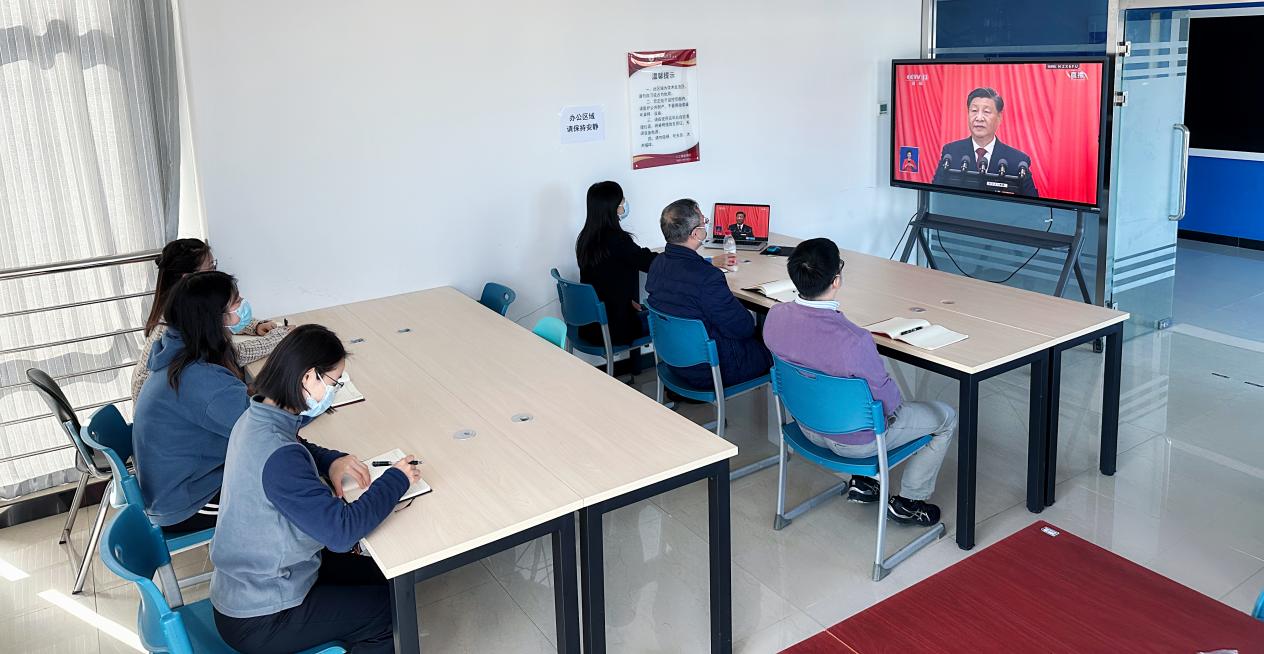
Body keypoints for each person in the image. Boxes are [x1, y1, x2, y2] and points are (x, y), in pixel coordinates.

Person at [210, 324, 421, 654]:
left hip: (251, 581)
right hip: (262, 614)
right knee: (388, 612)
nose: (334, 391)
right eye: (334, 383)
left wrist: (330, 461)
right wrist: (397, 479)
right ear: (309, 377)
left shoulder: (256, 416)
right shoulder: (280, 457)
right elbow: (341, 532)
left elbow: (295, 444)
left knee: (383, 576)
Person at [762, 238, 956, 527]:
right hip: (855, 443)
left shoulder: (775, 316)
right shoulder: (854, 340)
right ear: (836, 280)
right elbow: (890, 403)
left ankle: (865, 483)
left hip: (806, 425)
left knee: (850, 399)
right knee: (946, 418)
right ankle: (909, 501)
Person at [132, 271, 251, 534]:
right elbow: (261, 427)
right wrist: (306, 402)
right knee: (282, 490)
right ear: (215, 318)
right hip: (186, 503)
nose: (243, 306)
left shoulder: (177, 353)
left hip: (169, 487)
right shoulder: (201, 378)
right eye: (236, 303)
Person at [132, 238, 289, 400]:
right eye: (210, 268)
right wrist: (278, 338)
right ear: (189, 278)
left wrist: (254, 326)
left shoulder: (182, 309)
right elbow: (230, 354)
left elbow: (214, 319)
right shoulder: (172, 323)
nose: (215, 272)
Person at [645, 199, 770, 390]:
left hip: (673, 361)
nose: (706, 225)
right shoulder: (707, 278)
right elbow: (743, 328)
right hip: (713, 370)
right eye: (704, 221)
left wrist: (709, 262)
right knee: (775, 346)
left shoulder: (657, 264)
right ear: (696, 234)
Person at [931, 87, 1038, 197]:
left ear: (999, 117)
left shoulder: (1018, 161)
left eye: (986, 112)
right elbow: (934, 195)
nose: (979, 118)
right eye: (974, 111)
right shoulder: (951, 153)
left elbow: (1032, 202)